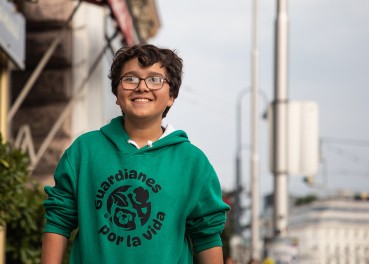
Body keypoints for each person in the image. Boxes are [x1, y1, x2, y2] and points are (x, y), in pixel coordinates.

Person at [41, 43, 230, 263]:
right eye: (130, 78)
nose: (142, 87)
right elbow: (58, 222)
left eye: (155, 79)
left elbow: (206, 237)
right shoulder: (84, 151)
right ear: (116, 93)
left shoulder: (193, 162)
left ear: (171, 96)